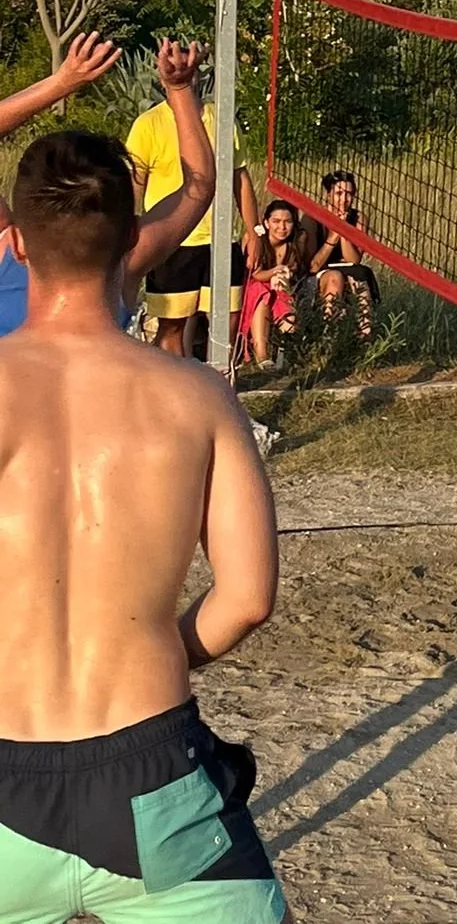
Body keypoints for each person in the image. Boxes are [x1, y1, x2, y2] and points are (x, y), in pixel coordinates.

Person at [0, 122, 286, 919]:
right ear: (133, 239)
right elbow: (248, 598)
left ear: (16, 243)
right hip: (155, 782)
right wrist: (159, 649)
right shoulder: (197, 396)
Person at [2, 37, 218, 339]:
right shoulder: (122, 268)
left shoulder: (6, 253)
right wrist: (180, 89)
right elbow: (200, 184)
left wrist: (62, 83)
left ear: (17, 241)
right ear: (131, 234)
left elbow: (201, 185)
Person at [128, 69, 259, 358]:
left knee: (228, 320)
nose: (185, 77)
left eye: (190, 71)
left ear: (199, 76)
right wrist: (130, 231)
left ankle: (222, 379)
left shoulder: (222, 120)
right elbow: (136, 182)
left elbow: (240, 178)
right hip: (171, 242)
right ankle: (176, 380)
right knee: (172, 327)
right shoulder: (148, 124)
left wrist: (254, 230)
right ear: (163, 79)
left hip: (220, 239)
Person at [304, 171, 380, 338]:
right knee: (335, 277)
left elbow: (354, 260)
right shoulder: (311, 218)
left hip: (349, 269)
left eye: (349, 194)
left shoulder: (358, 218)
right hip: (319, 273)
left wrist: (342, 229)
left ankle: (365, 334)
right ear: (328, 194)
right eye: (339, 193)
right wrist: (332, 238)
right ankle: (328, 335)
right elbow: (313, 265)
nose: (344, 199)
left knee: (359, 276)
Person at [238, 199, 306, 370]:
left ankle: (286, 351)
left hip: (278, 285)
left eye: (288, 222)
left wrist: (282, 274)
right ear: (267, 223)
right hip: (252, 285)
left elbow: (294, 268)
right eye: (276, 221)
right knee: (261, 292)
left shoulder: (296, 241)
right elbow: (255, 274)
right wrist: (277, 271)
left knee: (283, 296)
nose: (282, 227)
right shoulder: (255, 239)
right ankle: (261, 354)